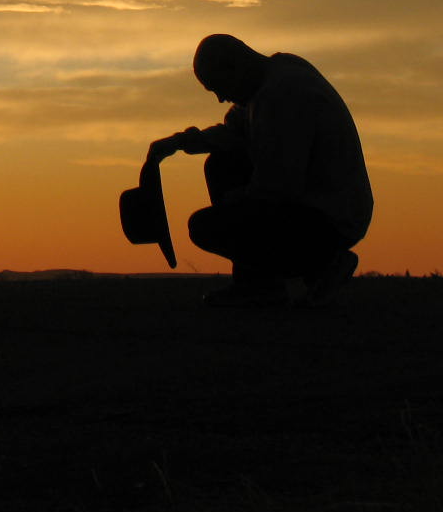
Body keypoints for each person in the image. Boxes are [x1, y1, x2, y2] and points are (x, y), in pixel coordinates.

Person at [147, 33, 373, 308]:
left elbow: (279, 185)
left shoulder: (284, 95)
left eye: (218, 87)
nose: (220, 98)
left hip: (328, 216)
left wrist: (236, 201)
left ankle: (319, 264)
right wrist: (181, 142)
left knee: (207, 226)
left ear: (234, 67)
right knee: (222, 163)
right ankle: (260, 281)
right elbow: (233, 133)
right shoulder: (270, 84)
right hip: (319, 208)